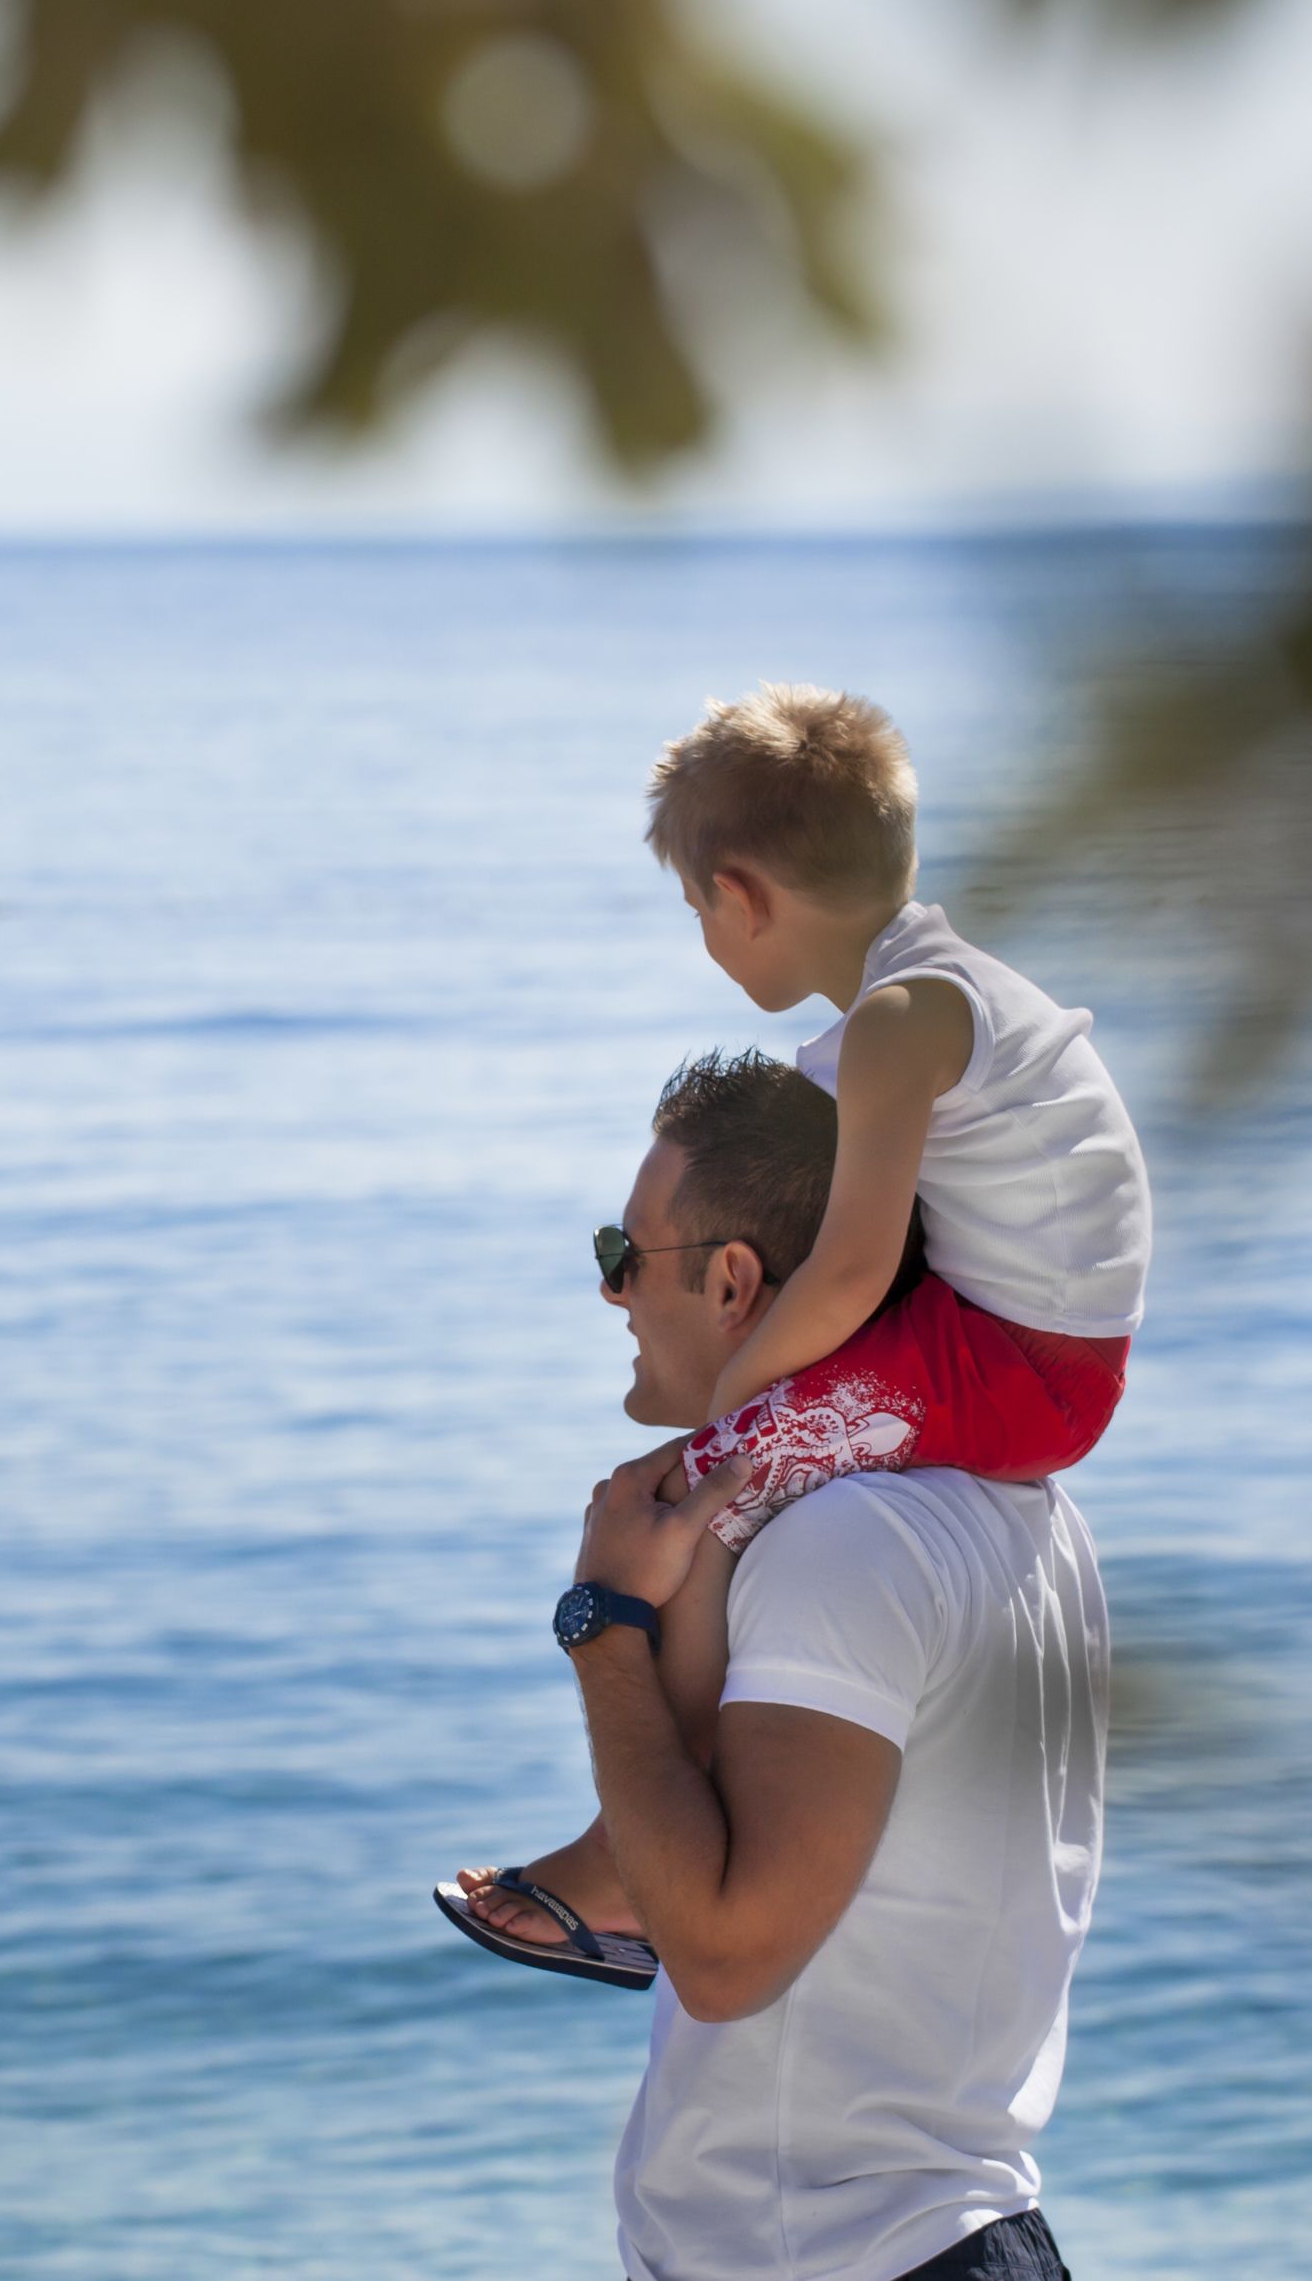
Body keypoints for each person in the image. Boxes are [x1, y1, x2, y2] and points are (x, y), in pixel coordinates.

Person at [453, 685, 1148, 1972]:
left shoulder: (898, 1021)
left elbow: (849, 1269)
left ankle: (628, 1856)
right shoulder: (934, 1000)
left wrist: (740, 1405)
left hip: (1017, 1364)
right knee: (726, 1470)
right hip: (1027, 1343)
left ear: (741, 895)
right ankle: (639, 1828)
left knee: (716, 1485)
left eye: (695, 910)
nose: (705, 938)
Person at [461, 1051, 1111, 2280]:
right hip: (930, 2232)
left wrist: (604, 1622)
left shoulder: (840, 1543)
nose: (608, 1289)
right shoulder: (1029, 1511)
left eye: (623, 1252)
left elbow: (722, 1954)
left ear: (732, 1279)